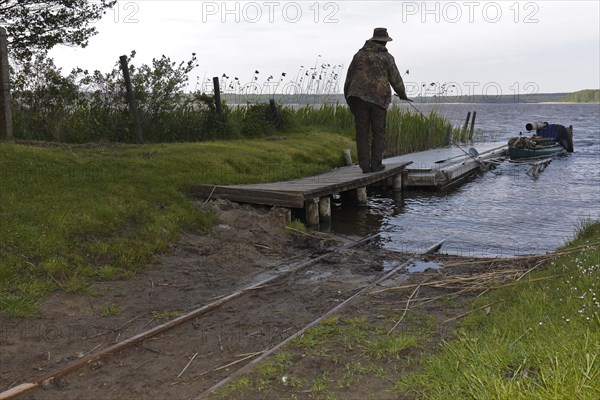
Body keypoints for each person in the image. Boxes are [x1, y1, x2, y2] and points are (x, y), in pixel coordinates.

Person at [344, 27, 411, 173]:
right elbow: (396, 79)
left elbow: (349, 78)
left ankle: (364, 166)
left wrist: (349, 98)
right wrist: (403, 94)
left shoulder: (358, 56)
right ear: (383, 42)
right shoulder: (387, 58)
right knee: (378, 132)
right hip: (379, 100)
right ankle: (376, 164)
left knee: (362, 133)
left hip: (357, 98)